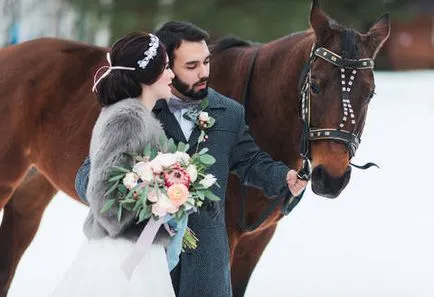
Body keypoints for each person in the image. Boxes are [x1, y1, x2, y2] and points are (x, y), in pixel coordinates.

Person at [75, 21, 308, 297]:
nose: (204, 72)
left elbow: (250, 160)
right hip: (149, 260)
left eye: (206, 62)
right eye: (191, 66)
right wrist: (142, 189)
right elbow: (88, 177)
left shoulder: (229, 112)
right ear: (165, 66)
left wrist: (283, 177)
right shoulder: (138, 112)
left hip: (207, 264)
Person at [52, 32, 176, 297]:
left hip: (139, 248)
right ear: (149, 74)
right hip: (121, 250)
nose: (171, 75)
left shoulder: (137, 116)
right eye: (166, 67)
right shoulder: (127, 118)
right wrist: (155, 201)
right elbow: (102, 193)